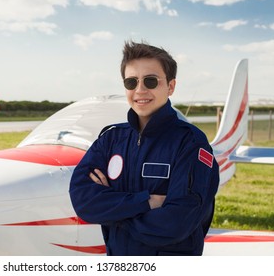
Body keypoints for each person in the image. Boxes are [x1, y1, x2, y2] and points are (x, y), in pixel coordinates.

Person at [69, 40, 219, 256]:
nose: (140, 90)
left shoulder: (191, 142)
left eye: (151, 81)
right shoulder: (110, 139)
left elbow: (176, 224)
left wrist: (112, 213)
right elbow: (84, 202)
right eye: (131, 82)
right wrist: (147, 201)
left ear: (171, 86)